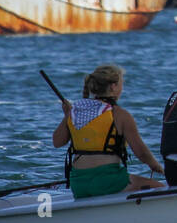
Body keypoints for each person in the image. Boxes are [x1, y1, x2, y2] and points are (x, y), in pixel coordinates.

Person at [52, 65, 164, 198]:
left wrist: (67, 116)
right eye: (122, 84)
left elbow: (57, 142)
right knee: (161, 188)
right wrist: (156, 167)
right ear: (113, 86)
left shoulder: (75, 112)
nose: (122, 88)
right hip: (107, 181)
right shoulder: (120, 114)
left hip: (78, 183)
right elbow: (141, 153)